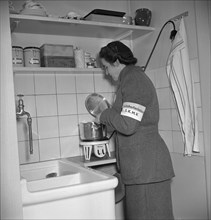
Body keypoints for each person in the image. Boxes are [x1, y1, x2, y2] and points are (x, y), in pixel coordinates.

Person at [97, 41, 175, 220]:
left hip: (147, 169)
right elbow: (127, 120)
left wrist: (105, 114)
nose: (106, 73)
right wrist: (108, 119)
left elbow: (128, 125)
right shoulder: (128, 79)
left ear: (116, 61)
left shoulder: (134, 79)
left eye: (106, 67)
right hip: (141, 169)